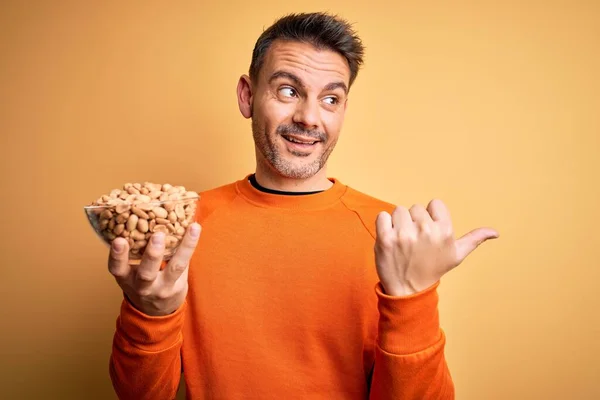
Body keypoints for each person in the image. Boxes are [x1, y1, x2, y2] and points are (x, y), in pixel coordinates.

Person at [107, 12, 498, 400]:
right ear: (248, 95)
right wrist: (149, 315)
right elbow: (139, 395)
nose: (309, 118)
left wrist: (413, 300)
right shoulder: (183, 228)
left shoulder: (392, 237)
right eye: (288, 91)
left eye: (331, 98)